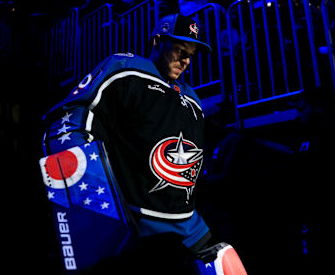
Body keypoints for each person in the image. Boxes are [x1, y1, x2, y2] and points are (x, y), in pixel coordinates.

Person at [41, 14, 247, 274]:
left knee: (229, 264)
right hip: (130, 228)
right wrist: (89, 193)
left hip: (185, 230)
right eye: (179, 50)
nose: (185, 60)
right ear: (157, 41)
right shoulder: (124, 69)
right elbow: (68, 121)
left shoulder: (193, 99)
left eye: (191, 54)